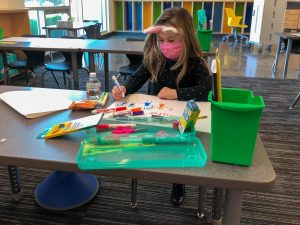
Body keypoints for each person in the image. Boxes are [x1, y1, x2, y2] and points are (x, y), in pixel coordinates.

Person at [112, 7, 211, 206]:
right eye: (161, 40)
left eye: (171, 40)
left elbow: (208, 90)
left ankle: (179, 182)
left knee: (180, 149)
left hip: (187, 117)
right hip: (160, 114)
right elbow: (138, 76)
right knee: (154, 143)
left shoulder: (195, 62)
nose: (165, 45)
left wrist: (177, 93)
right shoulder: (157, 58)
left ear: (186, 38)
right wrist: (124, 87)